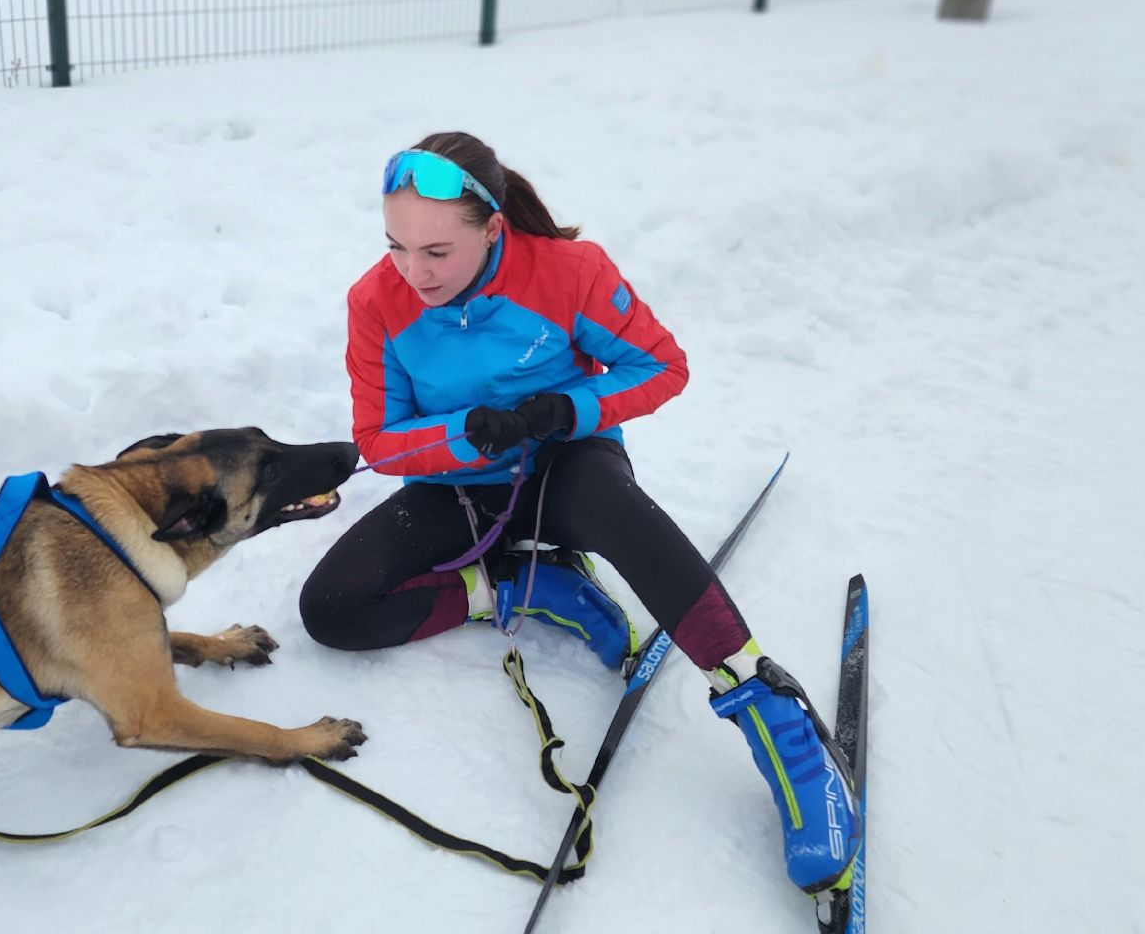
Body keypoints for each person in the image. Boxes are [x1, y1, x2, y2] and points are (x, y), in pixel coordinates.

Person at [297, 132, 862, 896]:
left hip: (568, 465)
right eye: (396, 245)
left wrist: (569, 406)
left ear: (493, 228)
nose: (413, 271)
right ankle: (525, 588)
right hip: (461, 485)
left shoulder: (569, 273)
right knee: (331, 610)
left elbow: (662, 366)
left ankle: (777, 720)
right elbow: (380, 441)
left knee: (619, 510)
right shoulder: (377, 302)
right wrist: (464, 435)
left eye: (437, 251)